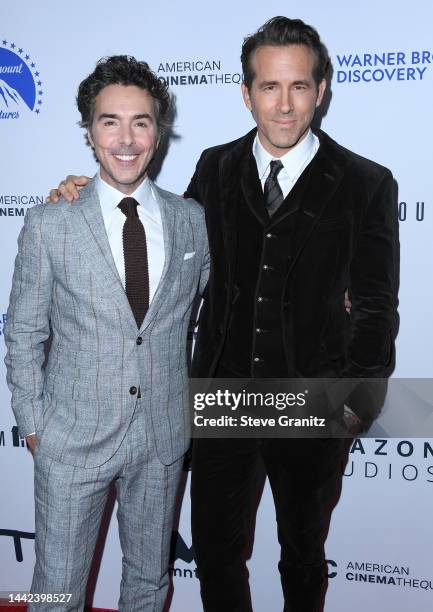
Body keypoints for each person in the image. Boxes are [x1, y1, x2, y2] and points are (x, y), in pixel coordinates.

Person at [47, 16, 399, 612]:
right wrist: (93, 193)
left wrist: (352, 406)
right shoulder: (215, 166)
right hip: (220, 400)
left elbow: (375, 307)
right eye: (269, 87)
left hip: (313, 405)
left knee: (303, 559)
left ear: (321, 89)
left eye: (298, 87)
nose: (284, 105)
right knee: (214, 554)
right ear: (245, 92)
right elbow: (166, 240)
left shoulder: (366, 182)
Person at [4, 55, 209, 612]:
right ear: (90, 132)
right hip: (70, 441)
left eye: (140, 122)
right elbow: (22, 332)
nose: (126, 138)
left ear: (158, 132)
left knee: (149, 584)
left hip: (162, 439)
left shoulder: (191, 219)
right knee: (56, 592)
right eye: (109, 121)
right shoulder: (51, 222)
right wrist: (35, 426)